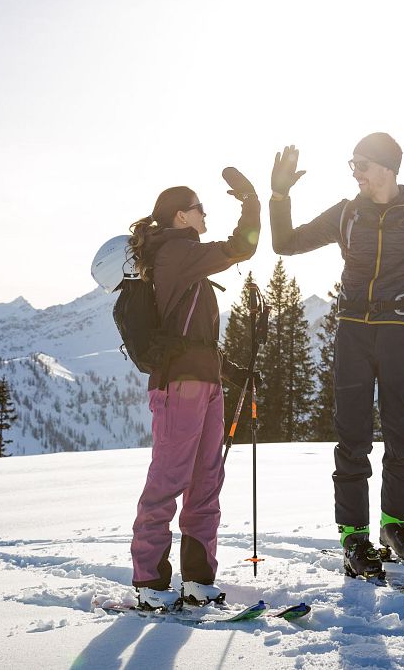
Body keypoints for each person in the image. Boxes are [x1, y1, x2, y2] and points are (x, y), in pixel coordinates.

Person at [269, 133, 404, 578]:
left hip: (399, 334)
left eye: (361, 164)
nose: (356, 173)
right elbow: (285, 243)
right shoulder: (347, 213)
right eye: (353, 165)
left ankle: (394, 526)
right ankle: (354, 537)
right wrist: (280, 195)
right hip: (353, 334)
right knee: (353, 438)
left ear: (386, 167)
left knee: (402, 435)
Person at [126, 171, 261, 609]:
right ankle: (150, 582)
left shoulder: (184, 257)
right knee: (169, 480)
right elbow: (242, 245)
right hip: (180, 385)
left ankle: (197, 581)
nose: (205, 213)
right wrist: (251, 202)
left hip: (203, 380)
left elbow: (194, 332)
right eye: (199, 207)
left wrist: (228, 369)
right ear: (181, 216)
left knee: (205, 481)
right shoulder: (177, 251)